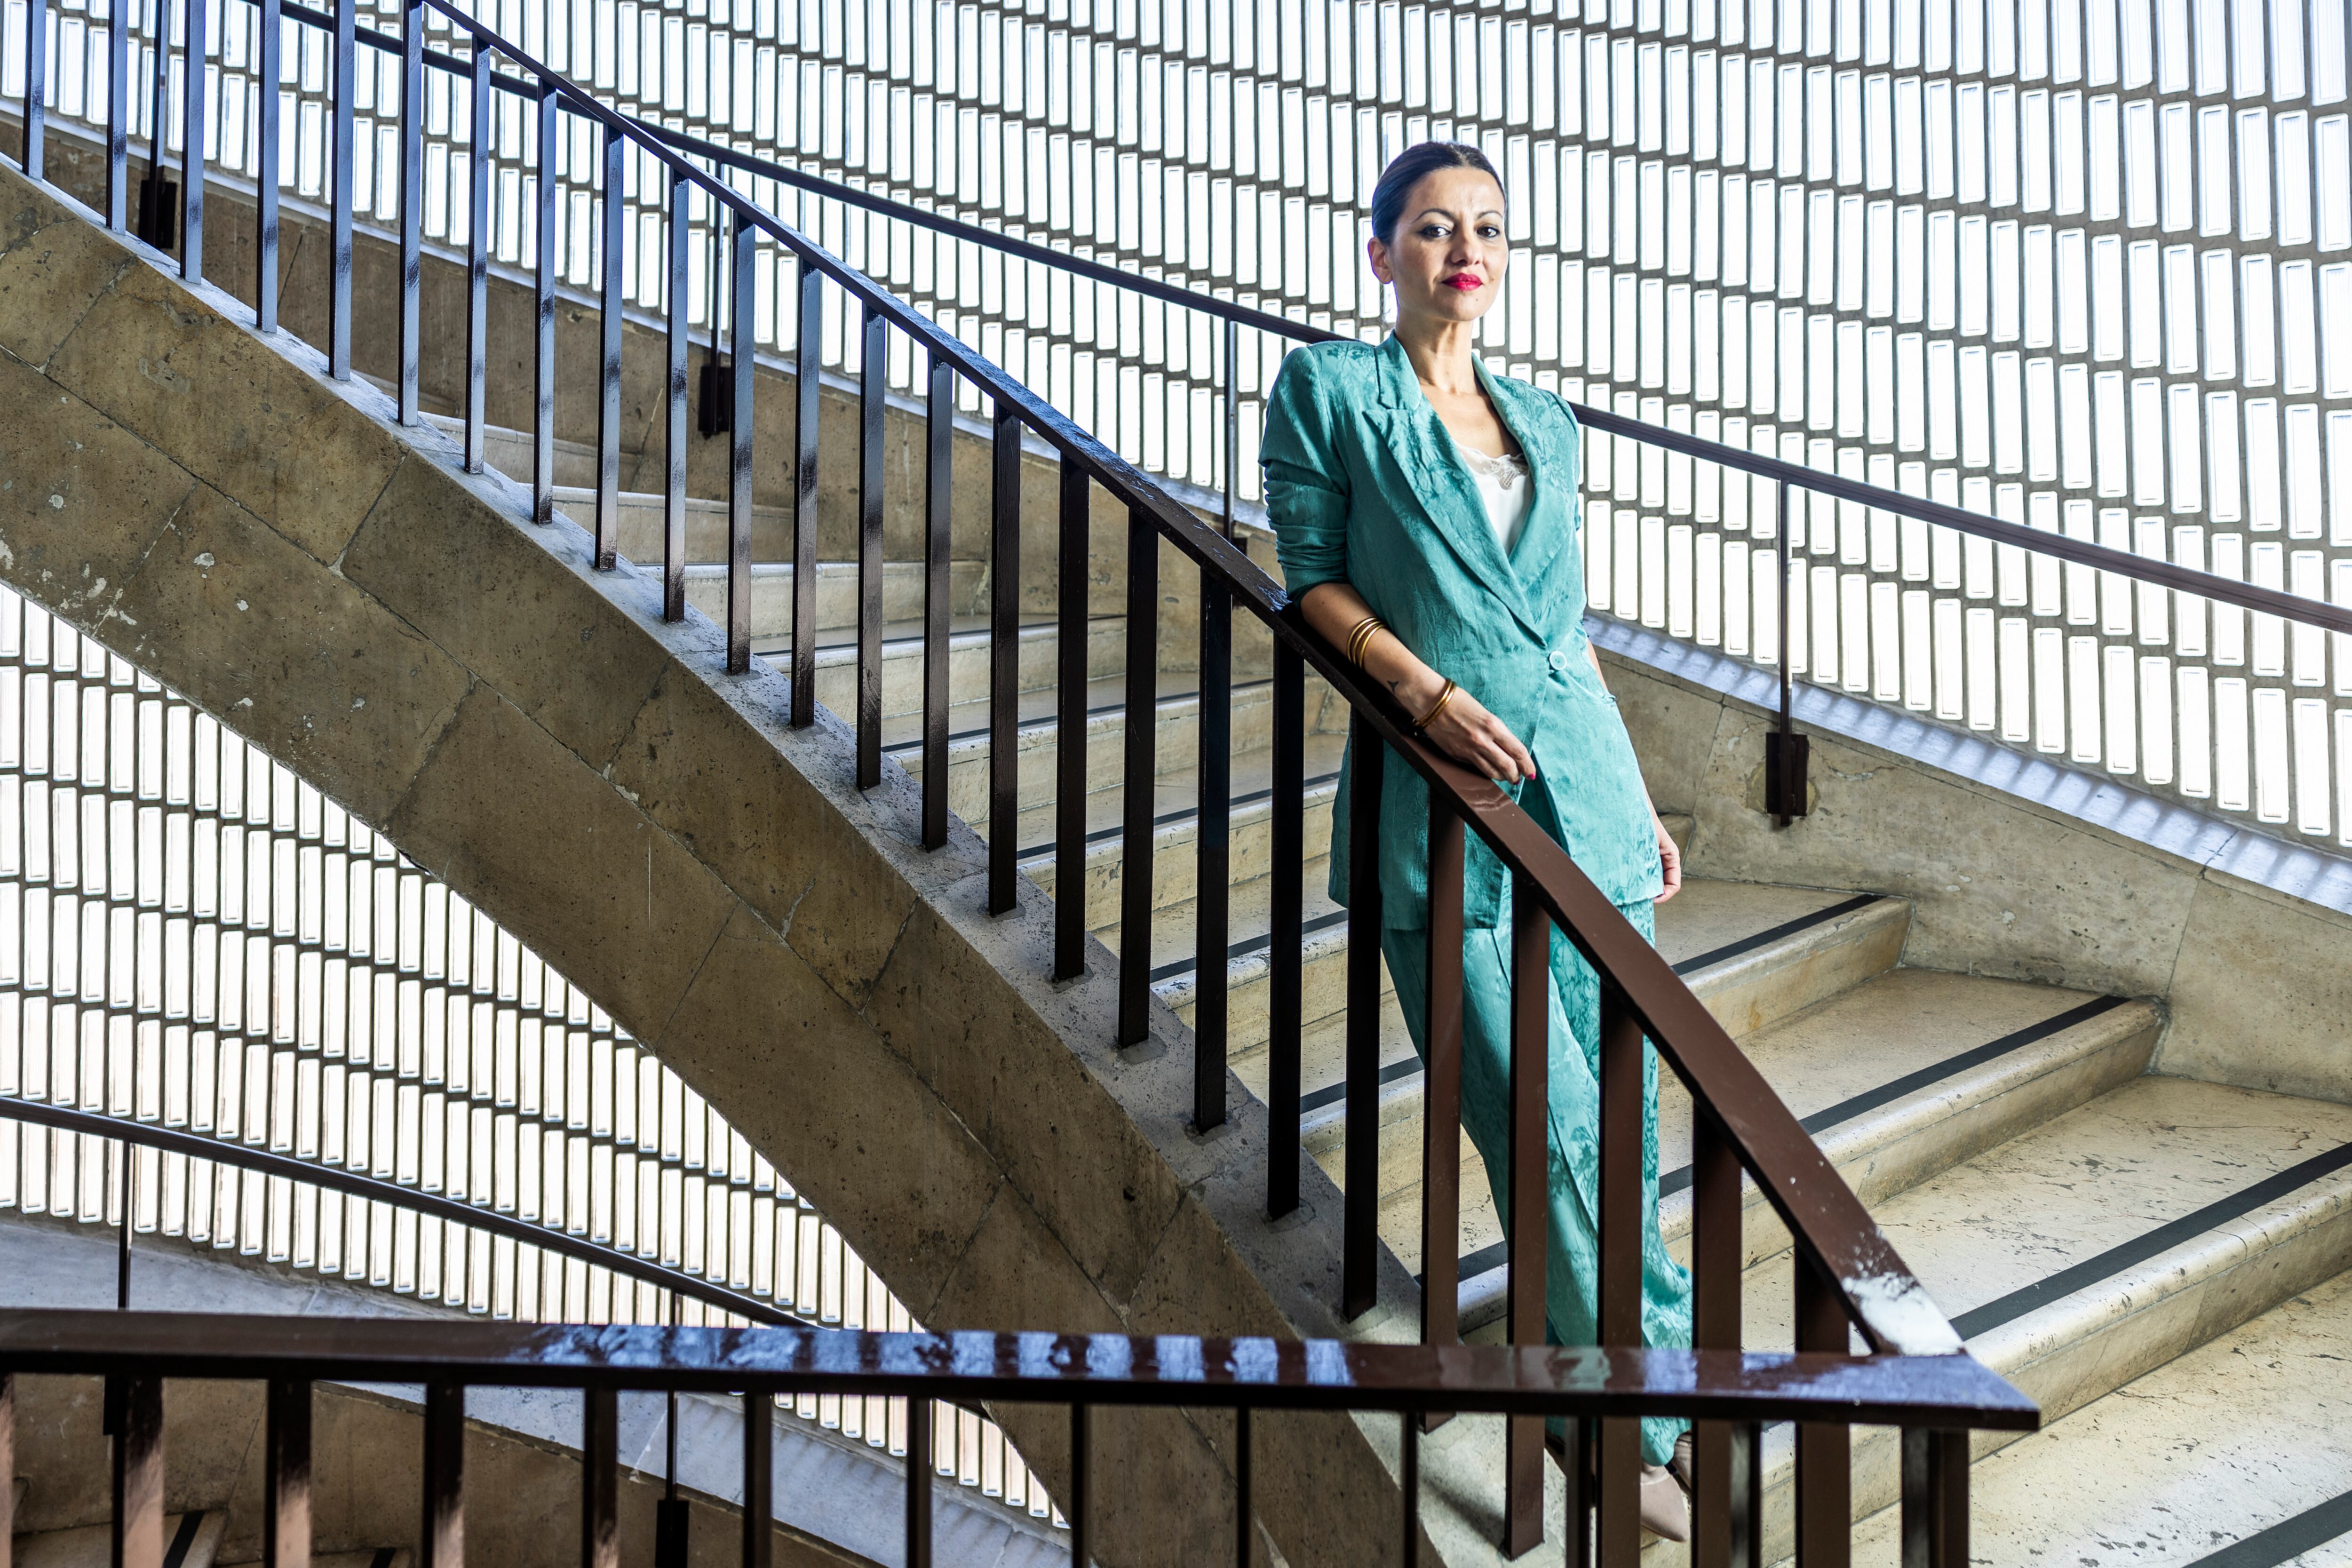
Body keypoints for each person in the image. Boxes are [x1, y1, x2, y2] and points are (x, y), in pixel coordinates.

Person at [1259, 141, 1696, 1541]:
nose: (1467, 253)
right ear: (1380, 248)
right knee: (1544, 1118)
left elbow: (1557, 629)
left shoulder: (1550, 425)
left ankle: (1642, 1390)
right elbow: (1311, 583)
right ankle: (1617, 1421)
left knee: (1613, 1122)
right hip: (1440, 815)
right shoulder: (1332, 392)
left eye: (1489, 231)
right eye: (1436, 229)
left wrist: (1634, 799)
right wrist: (1424, 694)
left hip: (1587, 803)